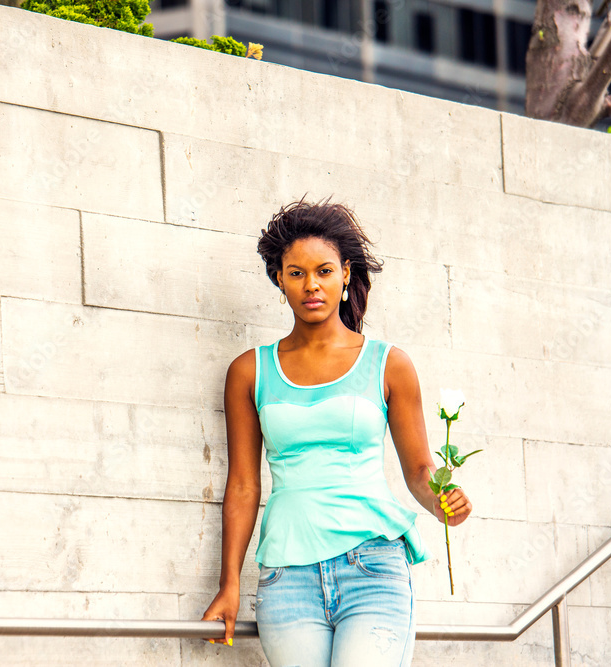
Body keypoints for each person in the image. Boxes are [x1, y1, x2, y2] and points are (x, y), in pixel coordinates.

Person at [200, 196, 473, 666]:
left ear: (346, 273)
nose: (312, 285)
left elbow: (419, 469)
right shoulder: (250, 372)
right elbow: (244, 485)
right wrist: (229, 584)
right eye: (296, 273)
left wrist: (442, 500)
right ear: (279, 280)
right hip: (288, 577)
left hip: (373, 569)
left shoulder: (389, 364)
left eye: (324, 271)